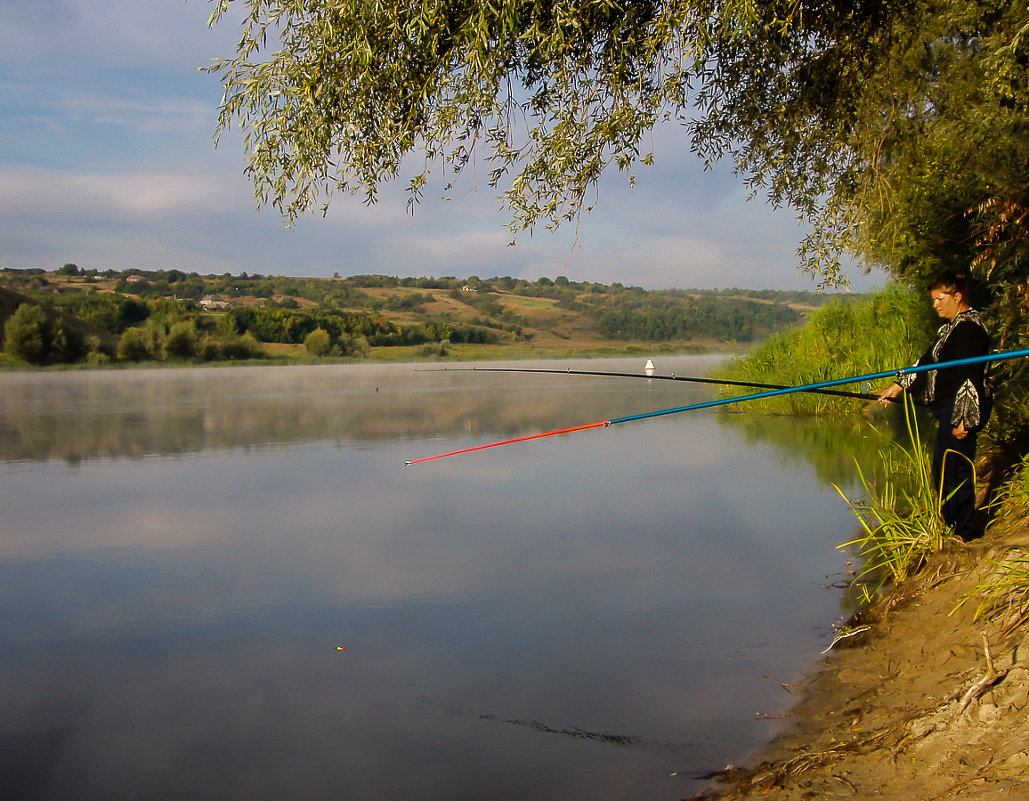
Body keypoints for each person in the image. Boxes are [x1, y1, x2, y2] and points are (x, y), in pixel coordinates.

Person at [878, 270, 992, 540]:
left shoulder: (968, 329)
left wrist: (965, 418)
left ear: (958, 297)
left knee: (956, 471)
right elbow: (927, 361)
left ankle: (964, 534)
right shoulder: (950, 328)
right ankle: (953, 528)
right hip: (948, 411)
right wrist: (899, 385)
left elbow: (970, 374)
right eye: (933, 299)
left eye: (939, 299)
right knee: (942, 472)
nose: (935, 305)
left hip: (960, 411)